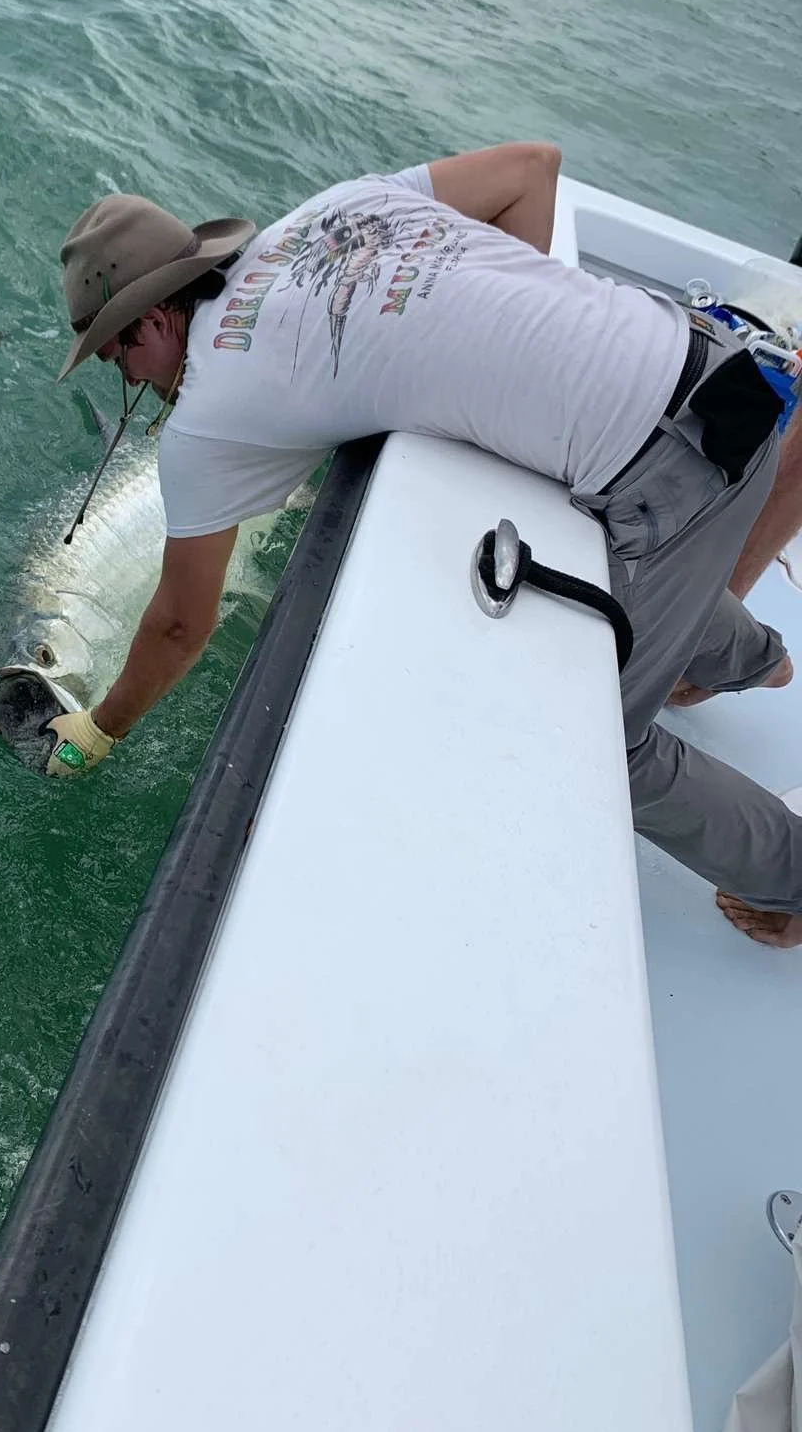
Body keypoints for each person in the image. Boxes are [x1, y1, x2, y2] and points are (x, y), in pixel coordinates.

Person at [43, 144, 802, 947]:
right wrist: (507, 340)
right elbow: (533, 169)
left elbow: (177, 624)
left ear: (154, 320)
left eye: (115, 355)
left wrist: (100, 731)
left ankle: (788, 882)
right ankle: (755, 660)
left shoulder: (207, 413)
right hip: (708, 357)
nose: (125, 380)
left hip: (678, 466)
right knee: (600, 547)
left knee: (595, 744)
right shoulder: (325, 211)